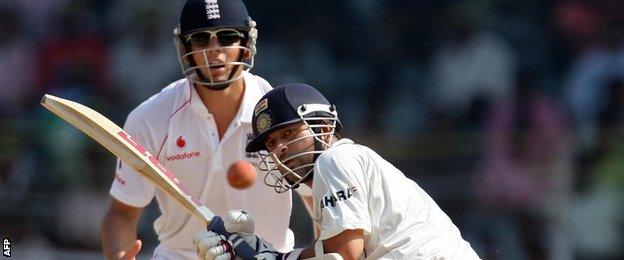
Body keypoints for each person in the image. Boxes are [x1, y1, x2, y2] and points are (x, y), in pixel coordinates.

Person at [101, 1, 299, 259]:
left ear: (247, 44)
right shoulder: (150, 118)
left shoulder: (282, 112)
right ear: (185, 47)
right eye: (201, 39)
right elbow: (122, 213)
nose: (214, 51)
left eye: (227, 37)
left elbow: (315, 199)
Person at [194, 83, 480, 259]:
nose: (280, 148)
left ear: (324, 127)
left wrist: (275, 257)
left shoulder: (335, 161)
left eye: (289, 133)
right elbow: (327, 251)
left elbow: (343, 255)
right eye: (271, 142)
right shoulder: (333, 172)